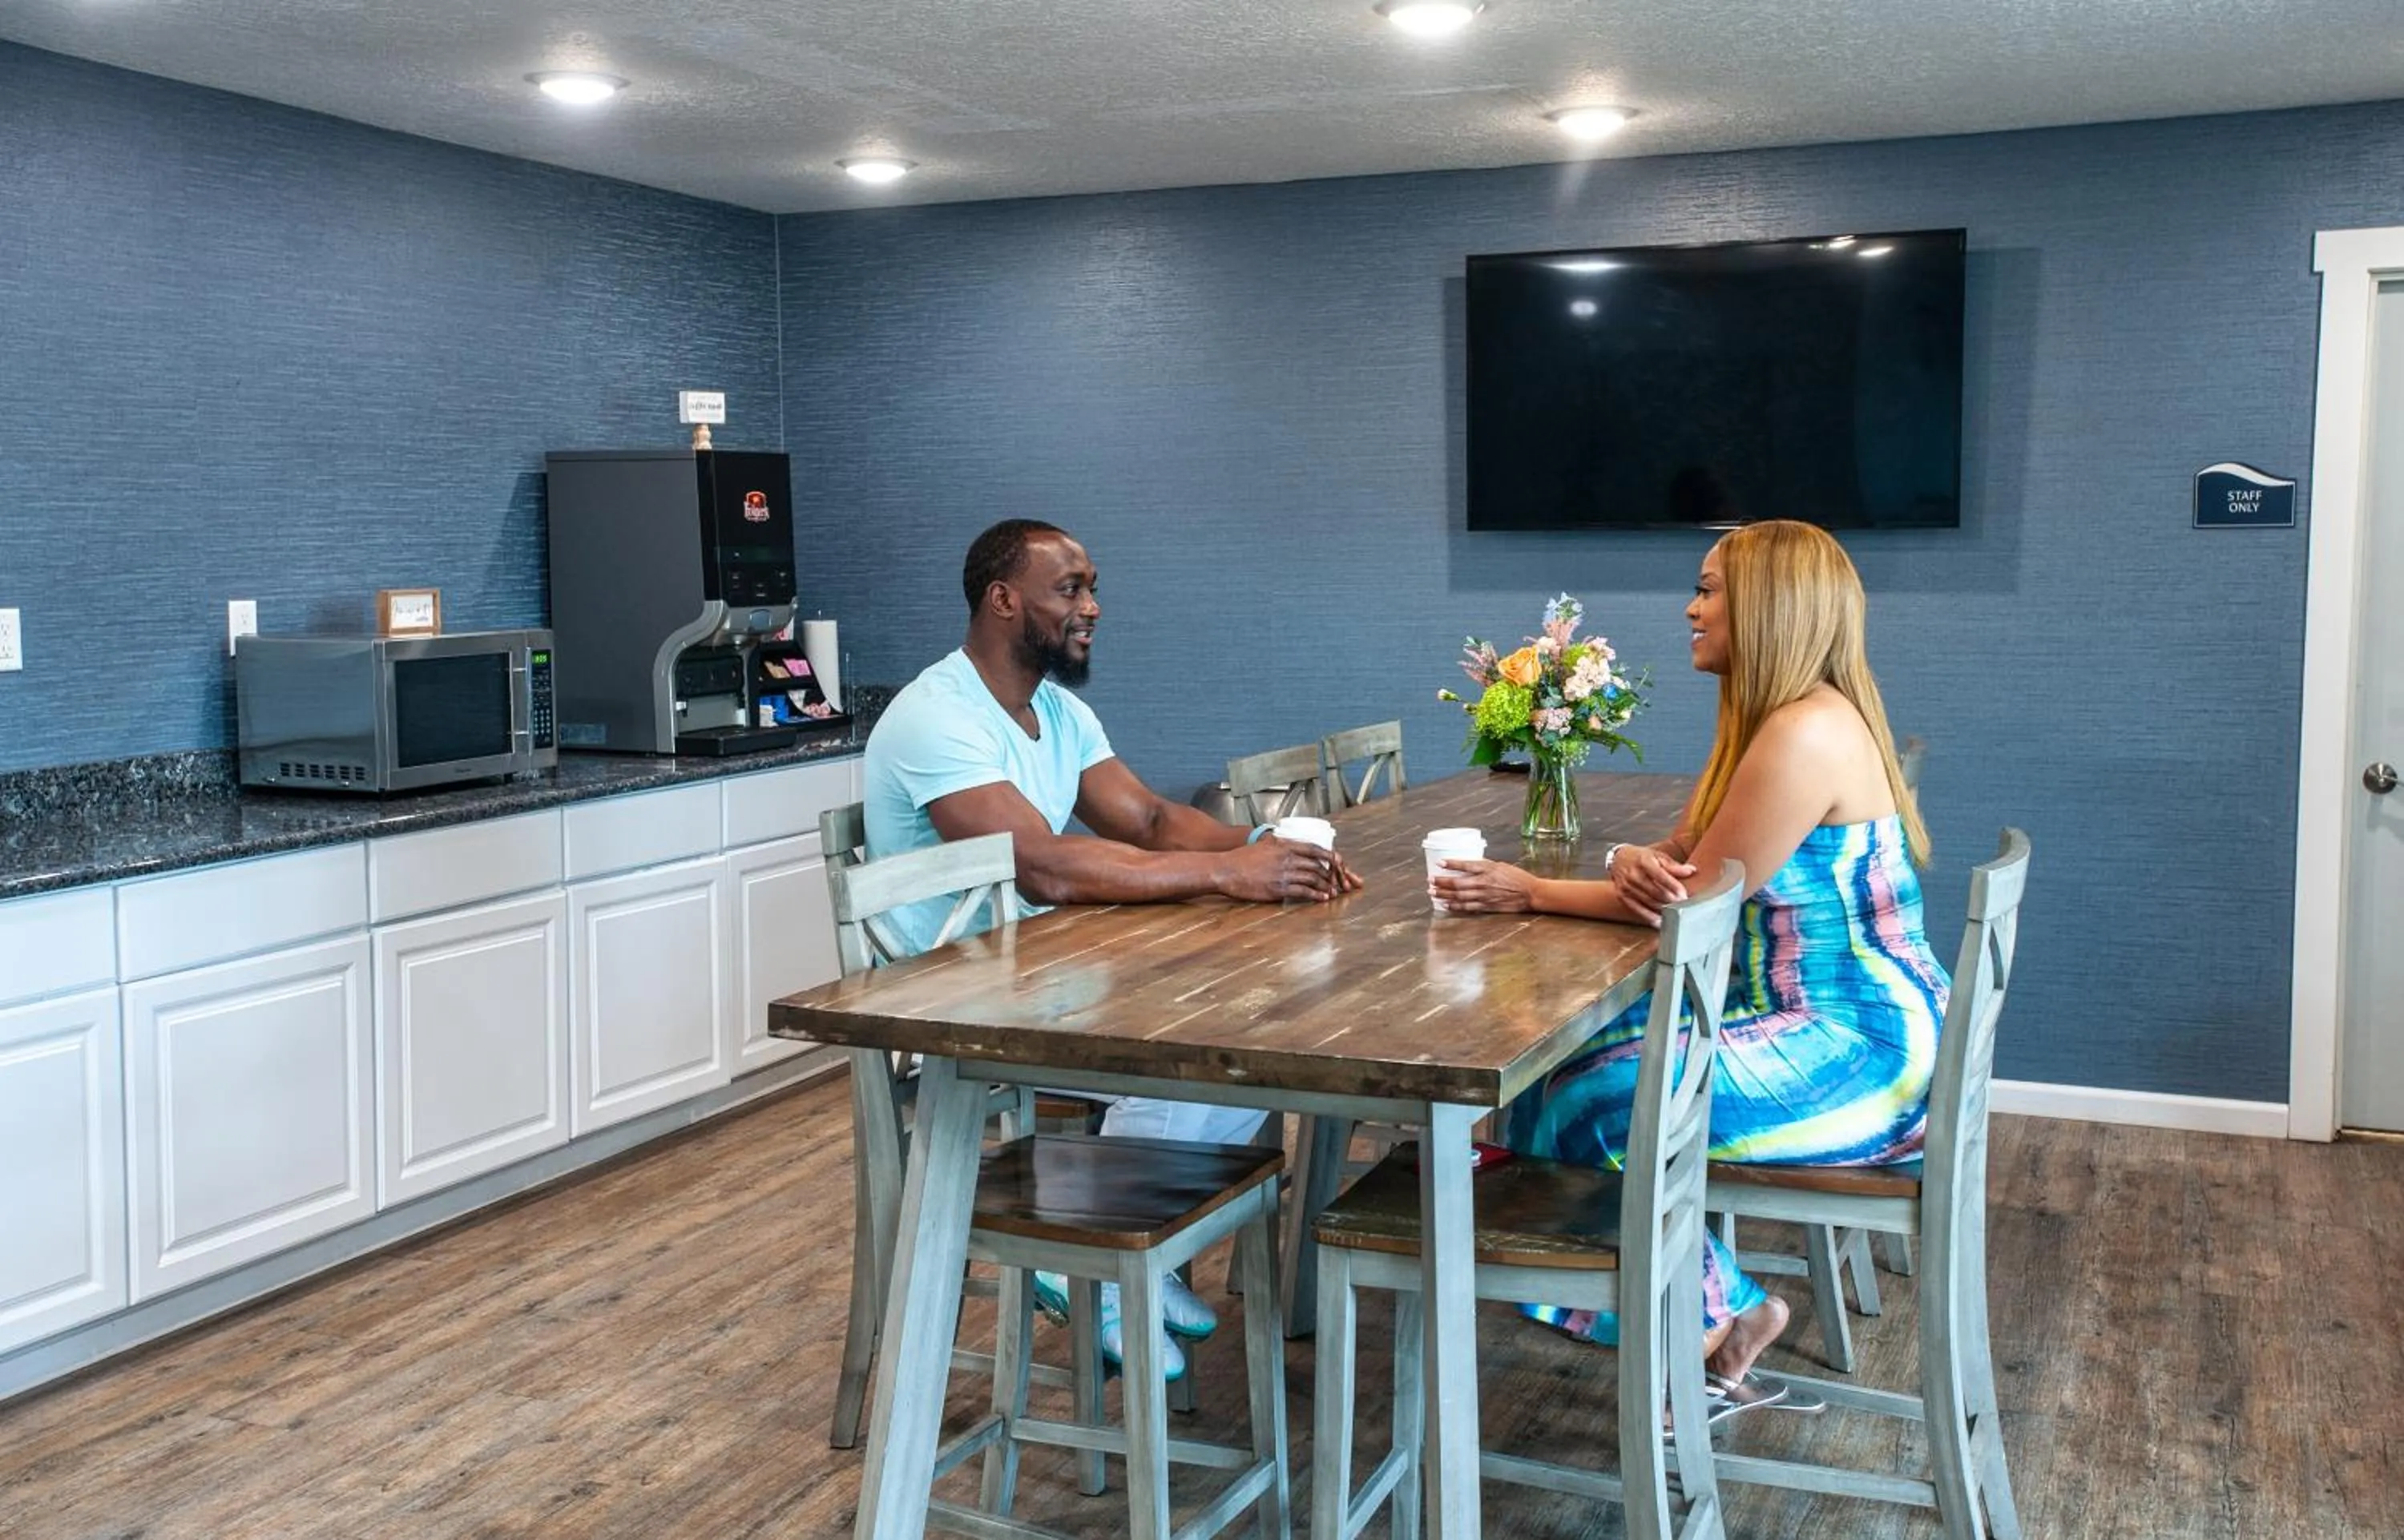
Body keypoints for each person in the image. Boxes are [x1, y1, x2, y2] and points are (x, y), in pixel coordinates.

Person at [1431, 518, 1946, 1414]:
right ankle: (1706, 1312)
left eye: (1709, 589)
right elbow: (1679, 866)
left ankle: (1702, 1326)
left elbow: (1686, 909)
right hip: (1823, 1019)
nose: (1690, 606)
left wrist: (1528, 889)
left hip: (1856, 1050)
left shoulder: (1802, 736)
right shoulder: (1782, 722)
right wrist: (1624, 858)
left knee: (1597, 1097)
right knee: (1540, 1079)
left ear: (1769, 606)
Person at [863, 517, 1363, 1377]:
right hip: (951, 1007)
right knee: (1200, 1026)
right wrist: (1227, 878)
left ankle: (1141, 1251)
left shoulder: (1055, 710)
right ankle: (1087, 1249)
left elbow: (1153, 820)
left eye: (1093, 586)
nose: (1091, 606)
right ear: (1002, 598)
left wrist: (1265, 850)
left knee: (1253, 1014)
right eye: (1071, 588)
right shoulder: (935, 716)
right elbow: (1045, 867)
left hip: (1034, 974)